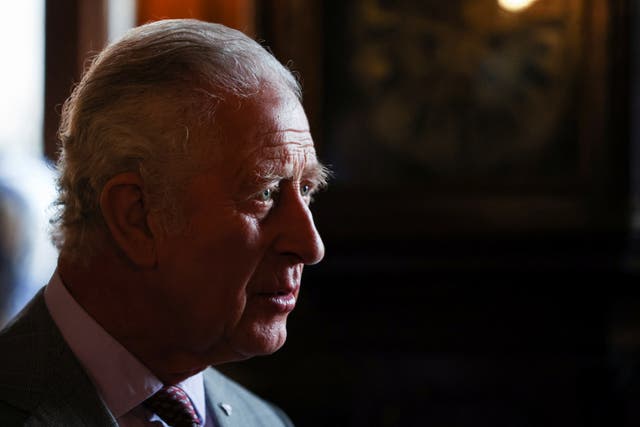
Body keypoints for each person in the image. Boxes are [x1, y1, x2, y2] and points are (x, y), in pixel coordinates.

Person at [0, 18, 328, 427]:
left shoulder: (264, 421)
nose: (310, 244)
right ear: (136, 216)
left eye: (308, 189)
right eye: (264, 194)